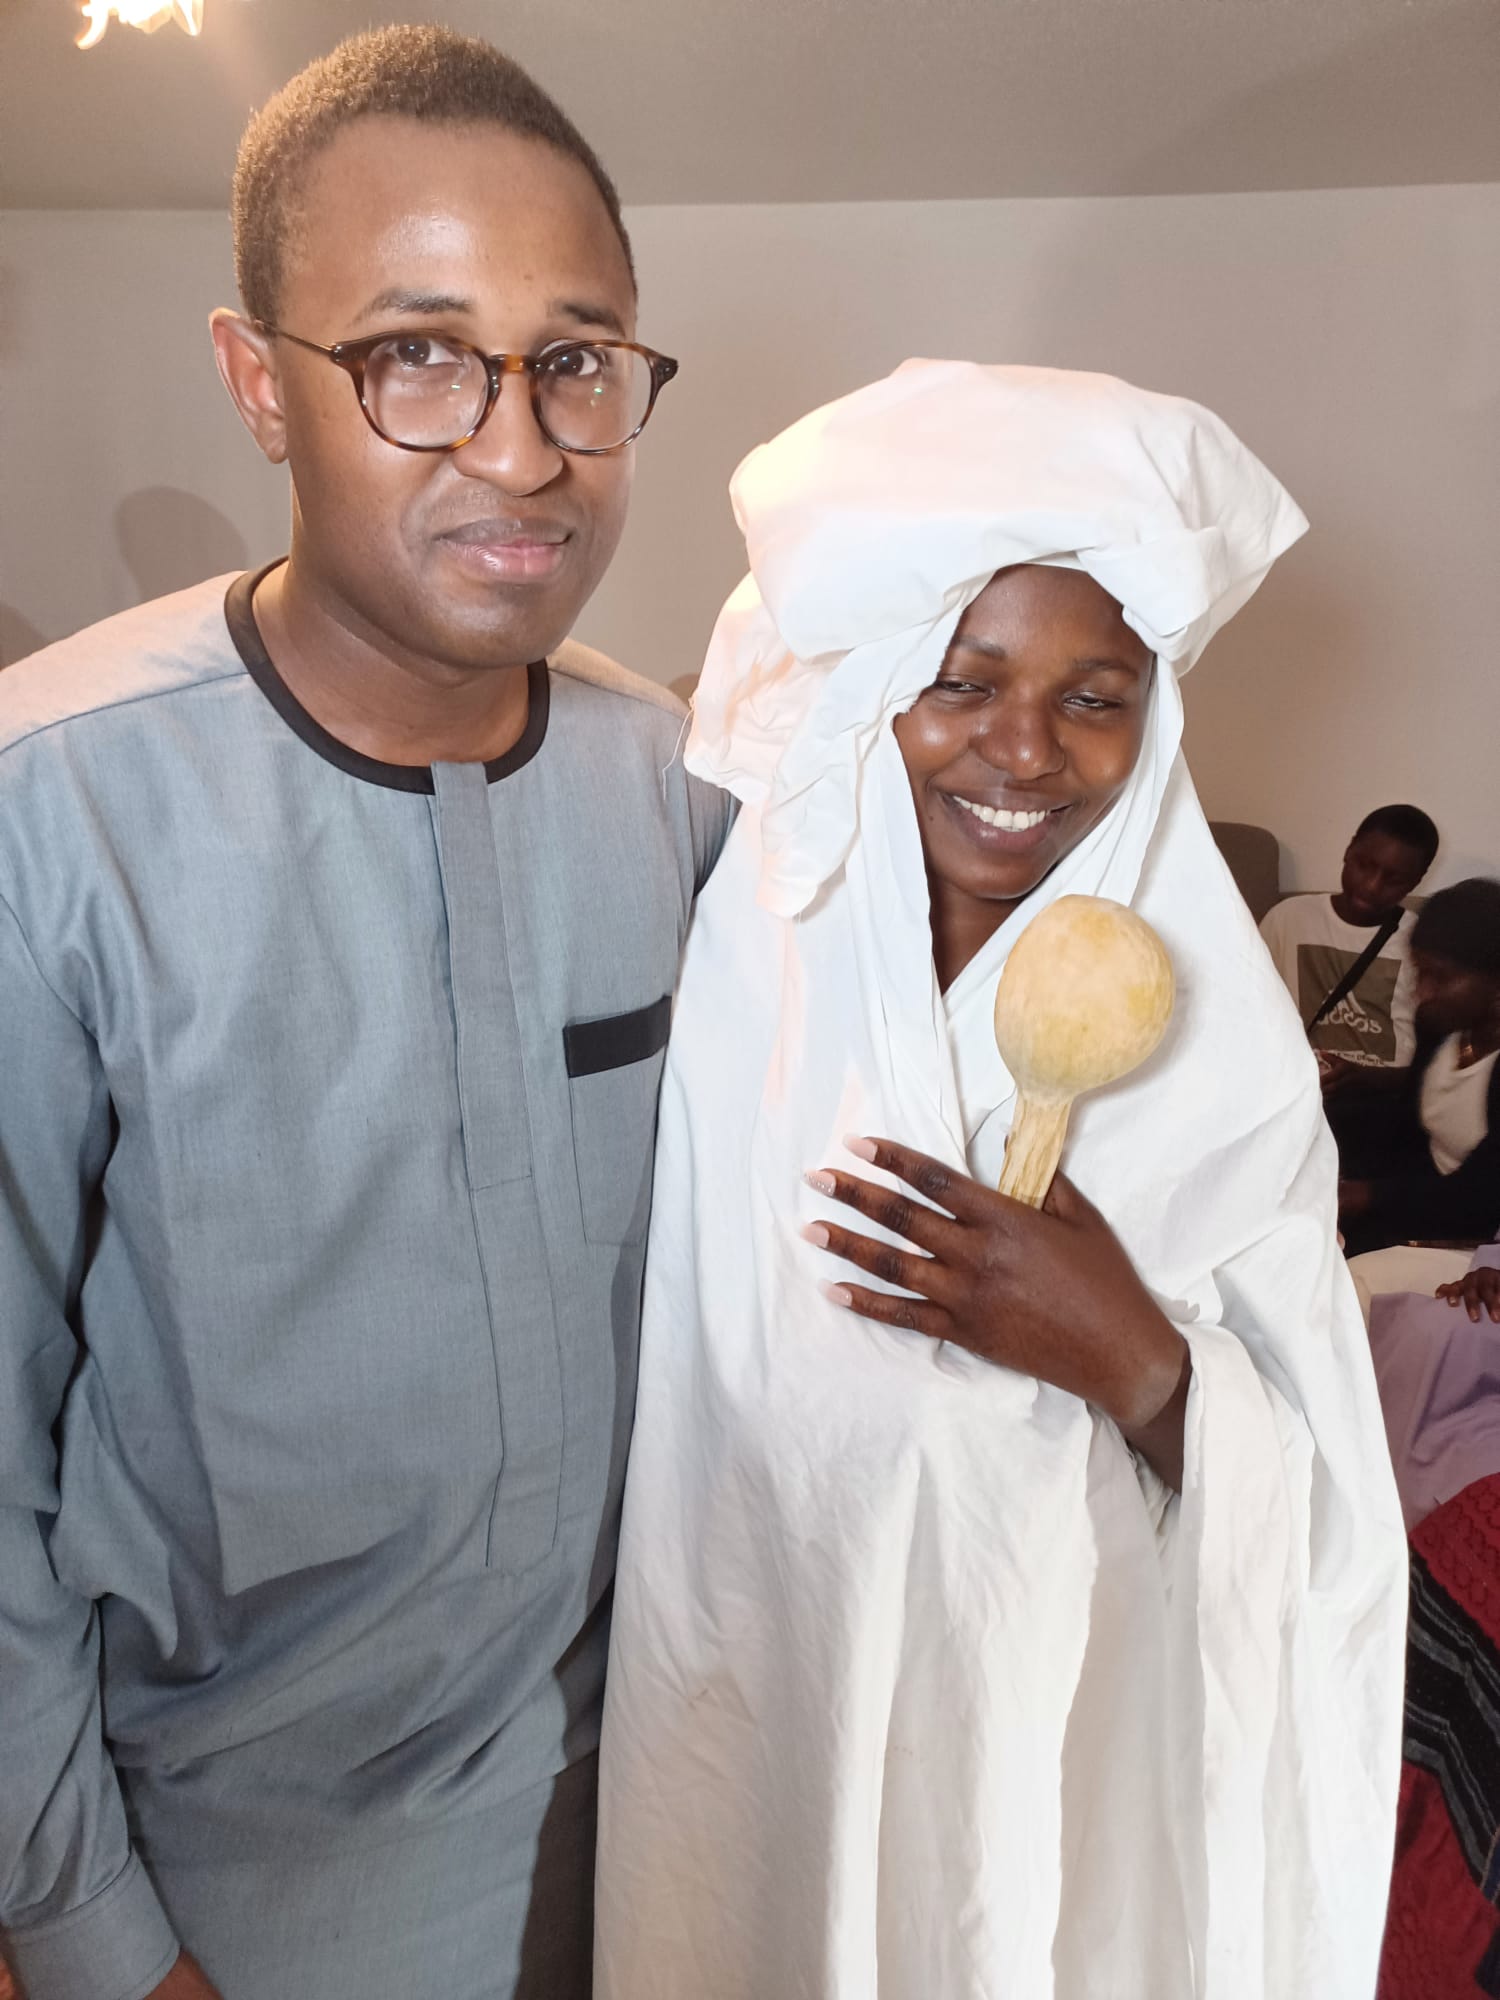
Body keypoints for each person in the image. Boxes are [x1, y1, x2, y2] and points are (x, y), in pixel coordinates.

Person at [0, 27, 726, 2000]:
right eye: (418, 353)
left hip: (667, 1808)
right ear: (259, 381)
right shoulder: (51, 815)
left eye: (575, 359)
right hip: (245, 1875)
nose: (521, 449)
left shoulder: (684, 786)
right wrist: (87, 1937)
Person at [594, 364, 1406, 1999]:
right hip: (768, 1694)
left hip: (1061, 1755)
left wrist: (1136, 1361)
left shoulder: (1221, 1049)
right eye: (959, 681)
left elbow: (1331, 1536)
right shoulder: (756, 963)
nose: (1024, 748)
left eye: (1094, 696)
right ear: (870, 691)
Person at [1338, 877, 1500, 1255]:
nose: (1421, 992)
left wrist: (1366, 1195)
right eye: (1419, 972)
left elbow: (1481, 1197)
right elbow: (1406, 1129)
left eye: (1440, 977)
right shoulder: (1439, 1026)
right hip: (1424, 1197)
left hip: (1480, 1241)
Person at [1259, 802, 1438, 1077]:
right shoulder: (1287, 918)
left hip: (1383, 1092)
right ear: (1349, 850)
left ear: (1416, 881)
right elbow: (1251, 1004)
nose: (1372, 886)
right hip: (1301, 1083)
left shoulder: (1422, 940)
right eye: (1364, 866)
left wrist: (1369, 1081)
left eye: (1393, 880)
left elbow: (1429, 1053)